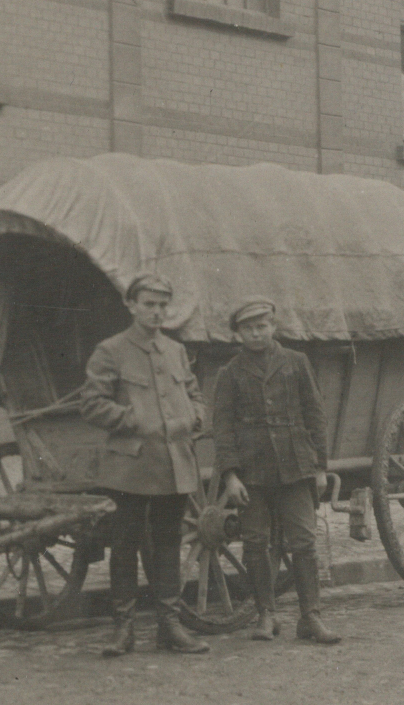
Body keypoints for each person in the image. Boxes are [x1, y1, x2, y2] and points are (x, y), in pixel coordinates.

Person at [80, 273, 209, 657]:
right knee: (125, 546)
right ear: (131, 305)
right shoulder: (111, 350)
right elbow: (92, 404)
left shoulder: (175, 351)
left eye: (162, 305)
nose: (156, 312)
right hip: (131, 467)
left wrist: (196, 416)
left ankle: (170, 627)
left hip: (173, 464)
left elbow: (194, 393)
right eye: (149, 304)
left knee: (168, 545)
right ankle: (124, 629)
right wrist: (134, 419)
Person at [213, 298, 340, 645]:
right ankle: (266, 615)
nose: (256, 333)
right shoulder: (230, 373)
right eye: (248, 328)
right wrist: (230, 476)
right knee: (255, 543)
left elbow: (315, 415)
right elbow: (222, 428)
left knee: (304, 541)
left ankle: (311, 616)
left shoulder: (296, 362)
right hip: (251, 472)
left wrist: (320, 467)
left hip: (295, 467)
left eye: (262, 326)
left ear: (273, 326)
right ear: (238, 333)